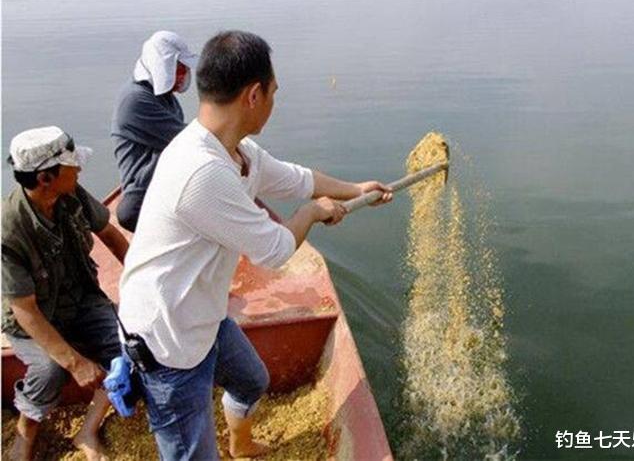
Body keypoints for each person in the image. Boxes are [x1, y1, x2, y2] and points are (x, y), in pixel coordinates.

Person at [118, 30, 393, 460]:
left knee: (251, 380)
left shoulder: (235, 150)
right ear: (253, 95)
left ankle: (240, 444)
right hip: (167, 339)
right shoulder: (201, 171)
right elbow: (276, 249)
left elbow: (296, 179)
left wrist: (355, 189)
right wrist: (311, 213)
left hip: (201, 314)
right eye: (274, 92)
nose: (274, 101)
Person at [1, 126, 129, 461]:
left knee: (128, 346)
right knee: (49, 370)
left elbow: (110, 234)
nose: (80, 169)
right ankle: (26, 435)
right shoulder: (9, 230)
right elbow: (25, 310)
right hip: (36, 318)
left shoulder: (70, 193)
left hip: (81, 300)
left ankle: (88, 430)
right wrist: (75, 362)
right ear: (45, 178)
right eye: (72, 165)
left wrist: (142, 286)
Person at [111, 31, 198, 232]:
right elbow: (187, 141)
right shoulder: (136, 100)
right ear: (162, 66)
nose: (184, 75)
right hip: (144, 193)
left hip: (166, 180)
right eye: (179, 68)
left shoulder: (164, 97)